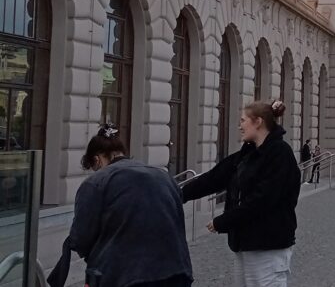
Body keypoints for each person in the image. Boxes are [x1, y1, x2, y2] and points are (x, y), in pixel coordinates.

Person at [49, 124, 193, 287]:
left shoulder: (96, 182)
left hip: (125, 275)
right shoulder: (163, 177)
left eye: (94, 167)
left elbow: (81, 237)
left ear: (97, 160)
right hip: (176, 271)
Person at [182, 100, 302, 287]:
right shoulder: (247, 154)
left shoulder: (280, 153)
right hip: (245, 244)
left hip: (269, 246)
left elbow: (262, 200)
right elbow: (214, 178)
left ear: (258, 122)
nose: (240, 126)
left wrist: (223, 221)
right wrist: (178, 194)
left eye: (243, 120)